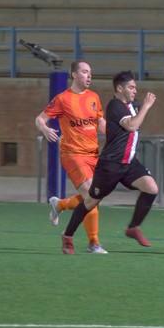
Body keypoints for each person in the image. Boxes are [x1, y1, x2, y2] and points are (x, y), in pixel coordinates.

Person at [58, 71, 159, 255]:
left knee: (151, 188)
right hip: (111, 165)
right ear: (119, 89)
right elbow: (131, 126)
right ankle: (67, 235)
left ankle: (133, 228)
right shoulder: (115, 106)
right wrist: (146, 106)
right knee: (90, 202)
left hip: (129, 163)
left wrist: (141, 107)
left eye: (135, 87)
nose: (135, 90)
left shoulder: (130, 106)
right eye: (131, 87)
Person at [35, 60, 107, 254]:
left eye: (90, 72)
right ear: (74, 75)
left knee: (95, 196)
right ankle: (93, 243)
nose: (89, 75)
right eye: (84, 72)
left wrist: (118, 133)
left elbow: (101, 122)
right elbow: (40, 119)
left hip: (94, 155)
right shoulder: (63, 99)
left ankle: (60, 204)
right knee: (92, 195)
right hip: (73, 154)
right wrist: (45, 129)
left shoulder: (94, 97)